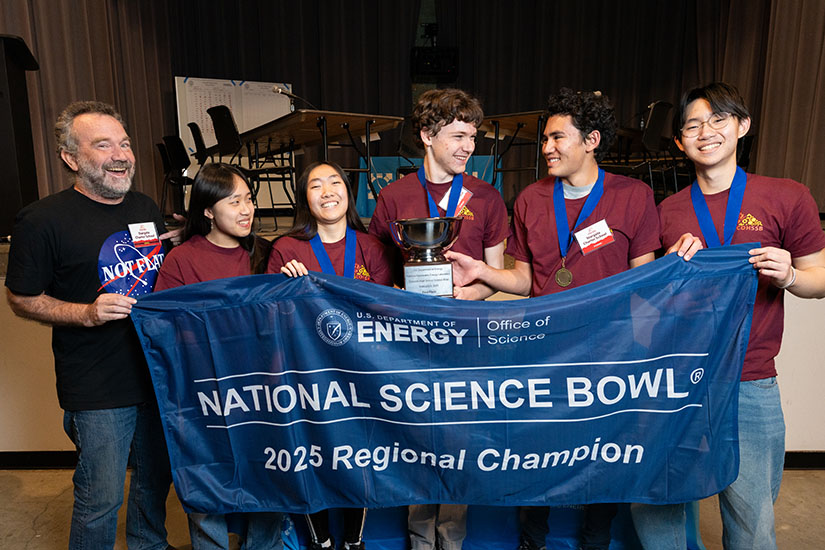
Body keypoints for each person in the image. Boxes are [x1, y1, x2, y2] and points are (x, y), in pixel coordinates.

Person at [446, 88, 661, 550]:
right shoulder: (530, 199)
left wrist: (642, 349)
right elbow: (526, 279)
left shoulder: (634, 197)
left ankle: (595, 539)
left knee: (604, 450)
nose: (546, 147)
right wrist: (483, 271)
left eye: (557, 137)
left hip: (610, 353)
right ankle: (533, 539)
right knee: (538, 450)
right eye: (545, 138)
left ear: (592, 140)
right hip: (544, 351)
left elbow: (645, 282)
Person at [631, 82, 825, 550]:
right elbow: (646, 306)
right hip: (678, 379)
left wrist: (789, 277)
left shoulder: (786, 196)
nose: (707, 131)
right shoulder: (667, 210)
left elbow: (819, 278)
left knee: (752, 521)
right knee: (658, 505)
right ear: (679, 141)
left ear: (742, 126)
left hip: (750, 382)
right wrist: (668, 272)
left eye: (719, 119)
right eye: (693, 124)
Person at [5, 100, 179, 550]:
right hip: (97, 388)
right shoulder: (41, 219)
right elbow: (21, 298)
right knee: (99, 501)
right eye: (103, 145)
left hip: (156, 377)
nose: (121, 154)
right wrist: (86, 313)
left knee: (151, 489)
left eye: (124, 143)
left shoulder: (144, 208)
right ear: (71, 158)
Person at [367, 88, 510, 550]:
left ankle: (452, 540)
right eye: (457, 136)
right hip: (409, 344)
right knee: (416, 442)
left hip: (467, 341)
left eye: (473, 136)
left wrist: (467, 294)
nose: (469, 146)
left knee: (458, 447)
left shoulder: (487, 198)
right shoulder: (392, 198)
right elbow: (379, 277)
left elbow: (498, 273)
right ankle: (418, 539)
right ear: (427, 135)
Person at [154, 162, 282, 550]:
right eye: (234, 202)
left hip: (264, 394)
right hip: (204, 395)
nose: (246, 210)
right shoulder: (181, 260)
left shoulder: (266, 253)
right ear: (208, 210)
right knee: (205, 482)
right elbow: (163, 326)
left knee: (270, 476)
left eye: (249, 200)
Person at [267, 161, 393, 550]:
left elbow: (385, 311)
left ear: (348, 191)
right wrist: (285, 288)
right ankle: (319, 541)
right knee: (312, 451)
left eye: (335, 182)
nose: (327, 192)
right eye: (315, 185)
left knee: (357, 454)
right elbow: (271, 318)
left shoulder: (371, 246)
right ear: (304, 198)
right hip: (308, 373)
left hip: (360, 372)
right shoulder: (287, 249)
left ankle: (354, 541)